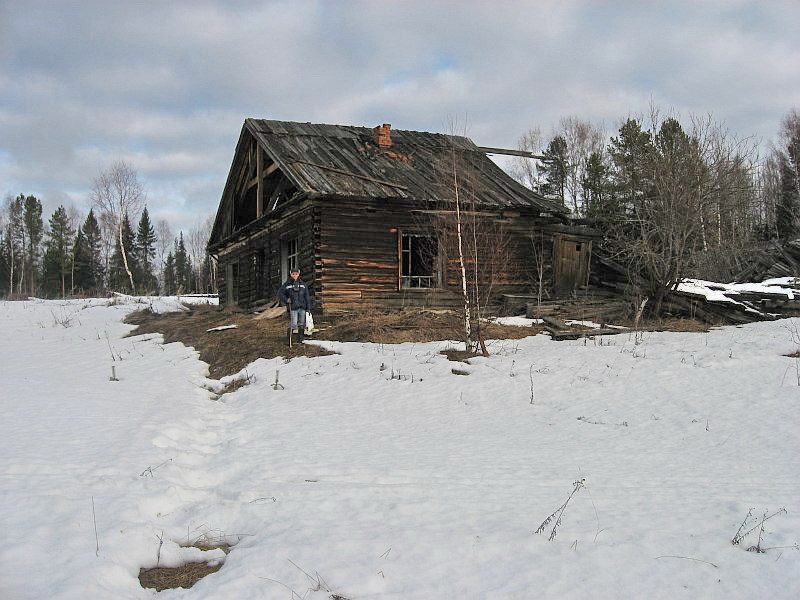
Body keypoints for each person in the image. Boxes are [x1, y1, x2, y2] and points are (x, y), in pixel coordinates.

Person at [277, 267, 312, 343]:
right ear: (291, 274)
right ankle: (289, 339)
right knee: (294, 323)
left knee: (301, 323)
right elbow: (280, 293)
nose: (295, 275)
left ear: (299, 274)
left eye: (296, 274)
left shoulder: (303, 285)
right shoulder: (287, 284)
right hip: (293, 307)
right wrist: (286, 299)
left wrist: (308, 307)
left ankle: (301, 339)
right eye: (293, 274)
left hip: (302, 307)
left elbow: (307, 296)